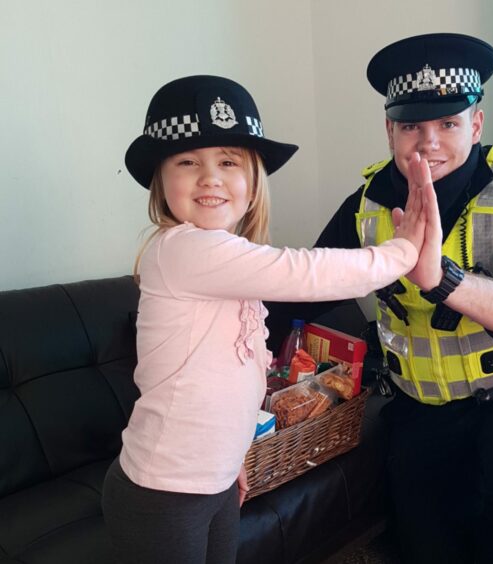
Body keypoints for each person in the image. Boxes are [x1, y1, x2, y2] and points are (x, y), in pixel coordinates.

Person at [100, 74, 440, 564]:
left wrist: (233, 454)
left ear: (253, 181)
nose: (210, 176)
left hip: (213, 480)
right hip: (161, 491)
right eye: (188, 161)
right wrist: (402, 251)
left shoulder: (232, 265)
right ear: (161, 181)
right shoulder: (181, 251)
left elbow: (232, 378)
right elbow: (306, 273)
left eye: (228, 161)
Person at [310, 34, 493, 563]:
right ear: (390, 129)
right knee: (423, 547)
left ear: (476, 124)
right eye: (412, 125)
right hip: (422, 404)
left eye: (448, 124)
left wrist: (443, 279)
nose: (428, 142)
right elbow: (307, 283)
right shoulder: (366, 201)